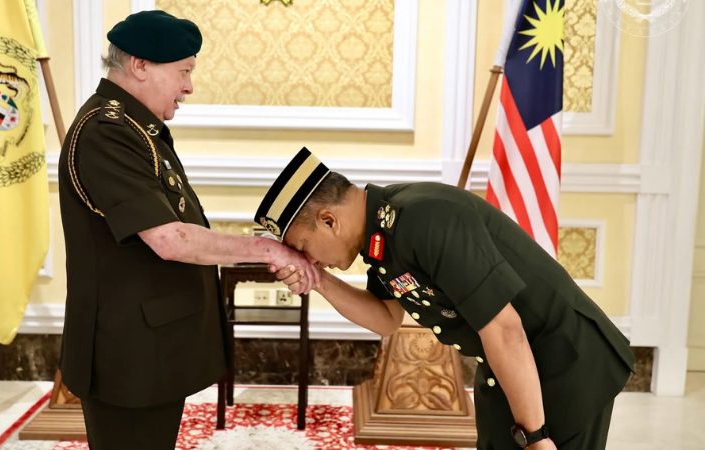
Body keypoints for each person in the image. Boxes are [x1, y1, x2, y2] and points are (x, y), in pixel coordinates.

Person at [57, 11, 319, 450]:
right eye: (184, 71)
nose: (189, 87)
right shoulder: (106, 132)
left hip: (148, 348)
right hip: (127, 356)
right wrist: (268, 250)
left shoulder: (135, 127)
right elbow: (169, 238)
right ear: (140, 65)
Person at [255, 147, 635, 450]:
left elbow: (505, 329)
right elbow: (386, 319)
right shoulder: (382, 234)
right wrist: (319, 280)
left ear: (328, 220)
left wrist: (534, 437)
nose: (308, 259)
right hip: (513, 368)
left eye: (303, 247)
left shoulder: (424, 218)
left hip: (566, 362)